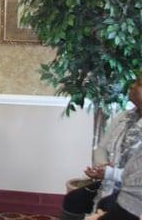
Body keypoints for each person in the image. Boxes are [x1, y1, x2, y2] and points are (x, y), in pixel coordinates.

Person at [62, 73, 142, 220]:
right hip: (109, 181)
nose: (132, 86)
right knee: (73, 200)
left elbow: (137, 179)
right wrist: (103, 167)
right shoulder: (123, 117)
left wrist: (110, 173)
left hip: (134, 192)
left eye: (138, 84)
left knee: (106, 205)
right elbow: (102, 148)